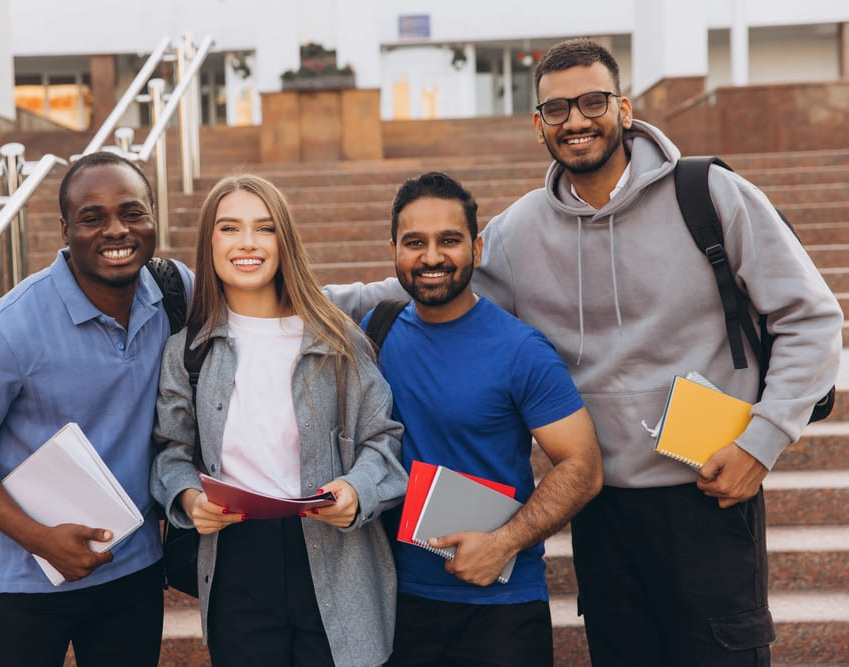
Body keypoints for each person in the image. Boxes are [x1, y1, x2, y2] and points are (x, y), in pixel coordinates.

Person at [325, 38, 843, 667]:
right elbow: (423, 278)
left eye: (592, 101)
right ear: (538, 124)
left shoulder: (708, 194)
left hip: (709, 492)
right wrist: (287, 292)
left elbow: (812, 318)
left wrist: (762, 442)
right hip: (604, 508)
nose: (575, 119)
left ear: (624, 109)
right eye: (556, 108)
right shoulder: (519, 231)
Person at [0, 150, 194, 667]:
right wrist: (39, 538)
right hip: (28, 582)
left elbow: (268, 303)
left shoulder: (174, 290)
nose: (116, 230)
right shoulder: (8, 329)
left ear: (154, 218)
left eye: (132, 213)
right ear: (64, 230)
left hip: (134, 572)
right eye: (93, 218)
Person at [149, 173, 407, 667]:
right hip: (235, 557)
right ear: (209, 242)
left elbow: (384, 440)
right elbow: (171, 452)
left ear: (284, 240)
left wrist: (357, 491)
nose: (247, 243)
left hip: (337, 550)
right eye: (229, 228)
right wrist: (187, 497)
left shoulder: (337, 339)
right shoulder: (187, 351)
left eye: (264, 228)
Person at [366, 171, 602, 667]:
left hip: (500, 608)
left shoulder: (521, 349)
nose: (431, 257)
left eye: (448, 241)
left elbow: (582, 466)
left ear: (475, 248)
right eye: (415, 243)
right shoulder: (377, 332)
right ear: (393, 250)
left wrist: (502, 543)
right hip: (395, 602)